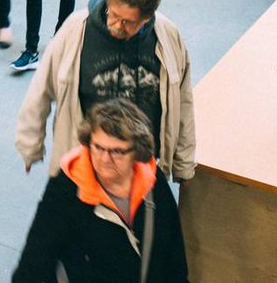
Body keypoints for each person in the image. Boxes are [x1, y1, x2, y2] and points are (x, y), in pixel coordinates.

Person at [16, 0, 195, 183]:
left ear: (146, 18)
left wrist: (183, 164)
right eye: (114, 15)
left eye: (127, 22)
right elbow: (40, 90)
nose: (117, 26)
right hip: (86, 160)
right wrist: (30, 146)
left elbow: (183, 102)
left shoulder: (168, 36)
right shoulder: (75, 29)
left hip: (142, 165)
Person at [13, 99, 189, 283]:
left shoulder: (153, 181)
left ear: (137, 151)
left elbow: (174, 254)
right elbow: (35, 260)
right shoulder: (67, 188)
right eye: (98, 147)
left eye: (117, 151)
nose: (104, 159)